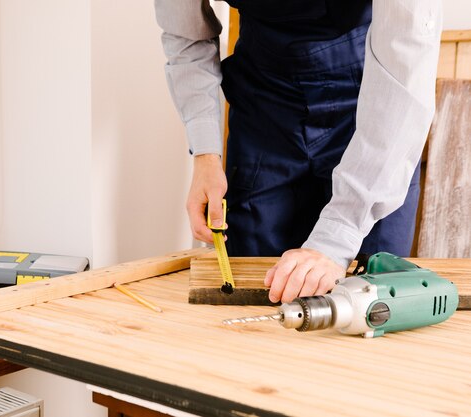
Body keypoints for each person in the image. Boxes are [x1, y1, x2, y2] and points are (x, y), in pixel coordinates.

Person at [155, 0, 442, 303]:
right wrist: (206, 156)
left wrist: (337, 236)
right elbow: (186, 35)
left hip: (372, 104)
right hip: (265, 108)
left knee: (371, 303)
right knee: (254, 299)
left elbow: (405, 66)